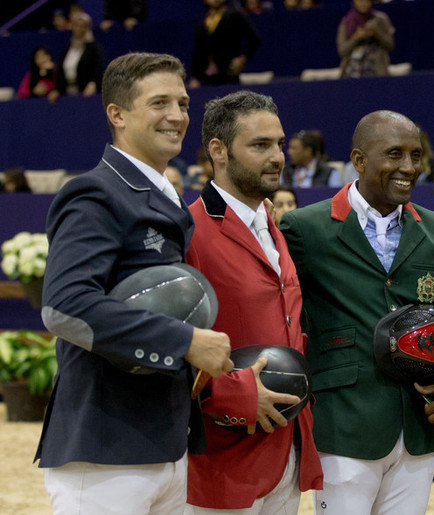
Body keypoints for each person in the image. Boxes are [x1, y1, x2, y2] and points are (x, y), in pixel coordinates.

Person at [35, 52, 233, 513]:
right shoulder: (96, 192)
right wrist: (184, 340)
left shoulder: (165, 196)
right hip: (106, 445)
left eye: (183, 103)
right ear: (117, 114)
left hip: (165, 439)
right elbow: (65, 306)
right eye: (160, 102)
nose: (177, 116)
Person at [279, 110, 434, 515]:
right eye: (395, 154)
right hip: (343, 425)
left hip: (419, 426)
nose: (409, 168)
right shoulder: (304, 228)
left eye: (416, 155)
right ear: (359, 160)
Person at [185, 90, 323, 513]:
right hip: (222, 455)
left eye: (280, 143)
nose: (278, 156)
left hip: (286, 447)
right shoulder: (188, 229)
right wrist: (236, 394)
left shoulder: (272, 225)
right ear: (218, 150)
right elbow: (172, 340)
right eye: (260, 145)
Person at [189, 0, 261, 88]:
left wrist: (242, 58)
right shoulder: (202, 23)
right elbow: (198, 52)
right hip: (208, 78)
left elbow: (254, 38)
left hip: (229, 74)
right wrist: (195, 77)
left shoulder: (234, 15)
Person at [48, 11, 104, 103]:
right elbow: (60, 71)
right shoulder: (67, 50)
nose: (78, 29)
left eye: (82, 26)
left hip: (86, 95)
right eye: (76, 25)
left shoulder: (94, 48)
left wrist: (92, 85)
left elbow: (98, 69)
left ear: (87, 28)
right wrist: (57, 90)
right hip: (67, 96)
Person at [336, 0, 395, 78]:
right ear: (354, 2)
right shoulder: (346, 21)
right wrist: (356, 37)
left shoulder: (381, 19)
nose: (363, 4)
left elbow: (390, 45)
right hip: (352, 71)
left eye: (367, 1)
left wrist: (377, 32)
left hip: (377, 70)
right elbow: (342, 50)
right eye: (360, 1)